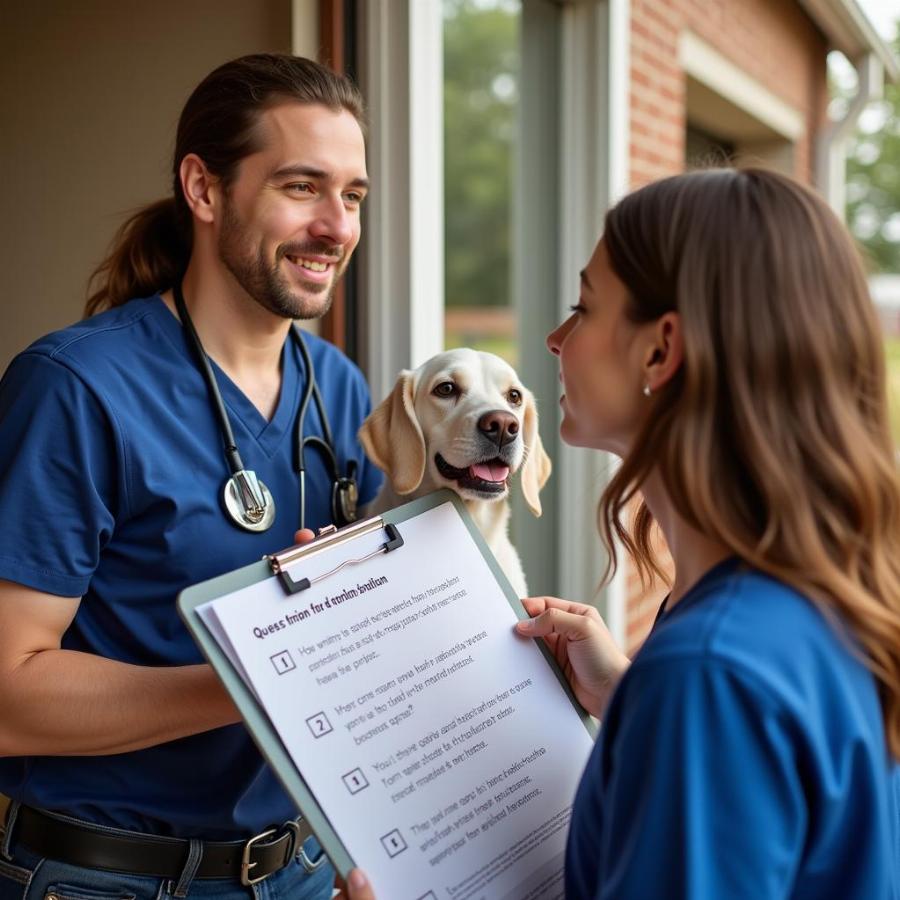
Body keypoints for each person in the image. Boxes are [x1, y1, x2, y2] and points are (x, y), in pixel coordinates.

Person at [337, 168, 900, 899]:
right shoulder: (801, 604)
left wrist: (672, 708)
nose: (554, 337)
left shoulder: (710, 672)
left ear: (661, 352)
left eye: (583, 307)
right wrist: (631, 700)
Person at [0, 54, 382, 899]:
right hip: (106, 879)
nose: (337, 226)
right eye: (300, 187)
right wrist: (259, 680)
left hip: (301, 870)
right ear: (204, 191)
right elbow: (7, 692)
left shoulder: (338, 388)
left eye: (352, 196)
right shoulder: (78, 388)